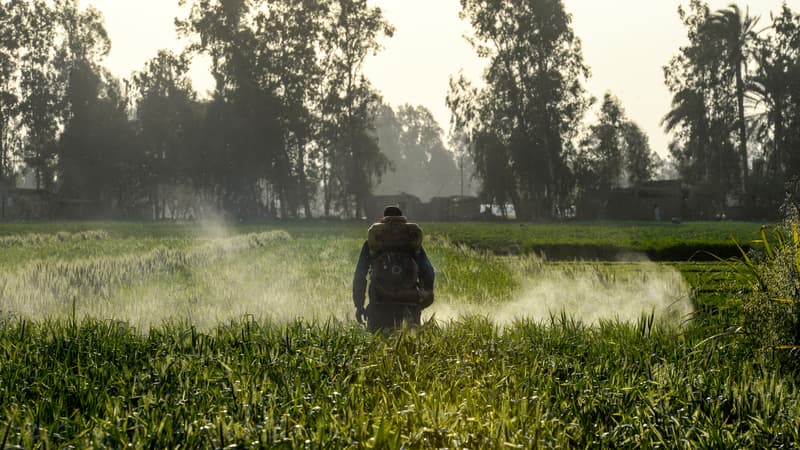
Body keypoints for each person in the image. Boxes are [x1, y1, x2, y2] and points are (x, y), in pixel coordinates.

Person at [352, 205, 435, 332]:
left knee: (377, 342)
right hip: (409, 301)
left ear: (383, 219)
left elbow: (360, 274)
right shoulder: (412, 241)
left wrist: (359, 305)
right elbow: (428, 271)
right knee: (410, 340)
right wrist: (426, 294)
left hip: (379, 301)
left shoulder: (374, 240)